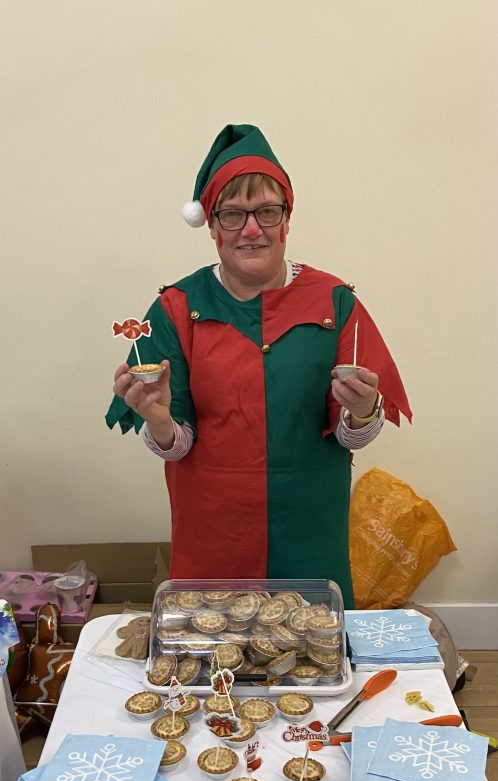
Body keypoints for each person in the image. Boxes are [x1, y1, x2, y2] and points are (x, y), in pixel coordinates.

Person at [106, 124, 411, 608]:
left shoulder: (335, 303)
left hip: (309, 534)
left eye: (267, 211)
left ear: (287, 220)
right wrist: (160, 421)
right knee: (211, 664)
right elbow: (175, 446)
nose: (252, 229)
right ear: (211, 225)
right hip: (214, 536)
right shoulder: (176, 309)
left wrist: (364, 409)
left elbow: (354, 436)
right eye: (233, 215)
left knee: (314, 662)